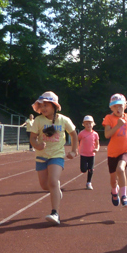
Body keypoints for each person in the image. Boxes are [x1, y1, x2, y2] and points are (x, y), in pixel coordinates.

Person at [29, 91, 78, 225]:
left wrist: (74, 151)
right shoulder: (38, 120)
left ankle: (55, 213)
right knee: (45, 185)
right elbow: (32, 138)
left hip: (57, 156)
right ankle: (56, 191)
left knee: (53, 181)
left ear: (55, 106)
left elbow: (73, 135)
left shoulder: (63, 120)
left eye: (47, 105)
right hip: (41, 156)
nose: (44, 108)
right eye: (42, 105)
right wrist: (37, 145)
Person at [103, 93, 127, 207]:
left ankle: (124, 196)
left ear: (125, 106)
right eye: (115, 106)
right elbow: (107, 135)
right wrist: (117, 126)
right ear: (111, 108)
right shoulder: (109, 118)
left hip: (126, 149)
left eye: (120, 106)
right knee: (113, 180)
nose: (118, 108)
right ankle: (114, 191)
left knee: (120, 170)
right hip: (112, 152)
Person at [78, 115, 100, 190]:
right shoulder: (81, 133)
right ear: (83, 124)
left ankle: (89, 182)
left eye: (90, 123)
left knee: (91, 169)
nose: (88, 125)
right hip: (83, 154)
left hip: (91, 154)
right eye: (86, 124)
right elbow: (77, 140)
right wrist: (76, 148)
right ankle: (85, 168)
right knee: (83, 170)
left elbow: (97, 144)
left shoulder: (95, 134)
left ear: (93, 124)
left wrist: (96, 149)